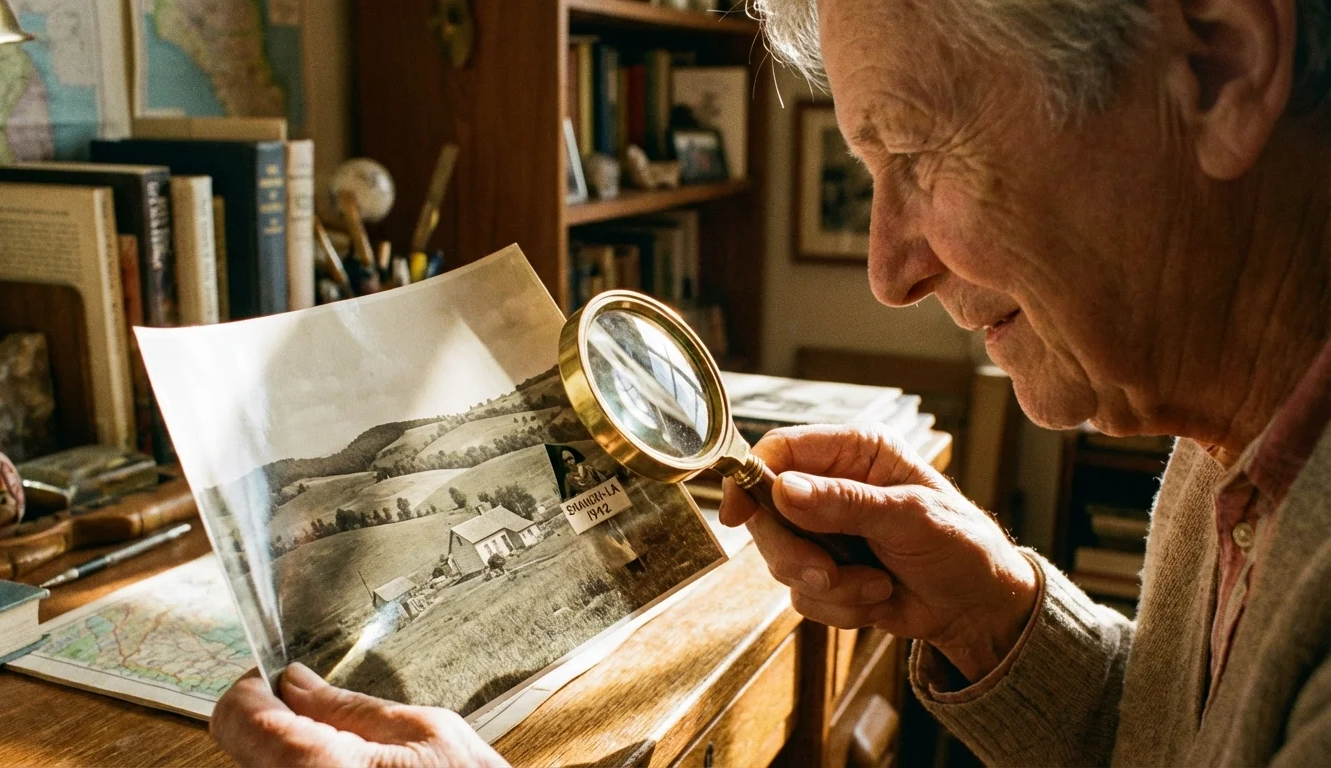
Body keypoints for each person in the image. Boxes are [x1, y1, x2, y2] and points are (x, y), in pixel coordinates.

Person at [210, 0, 1329, 763]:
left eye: (917, 155)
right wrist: (1002, 621)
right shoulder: (1231, 428)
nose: (890, 271)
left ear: (1220, 65)